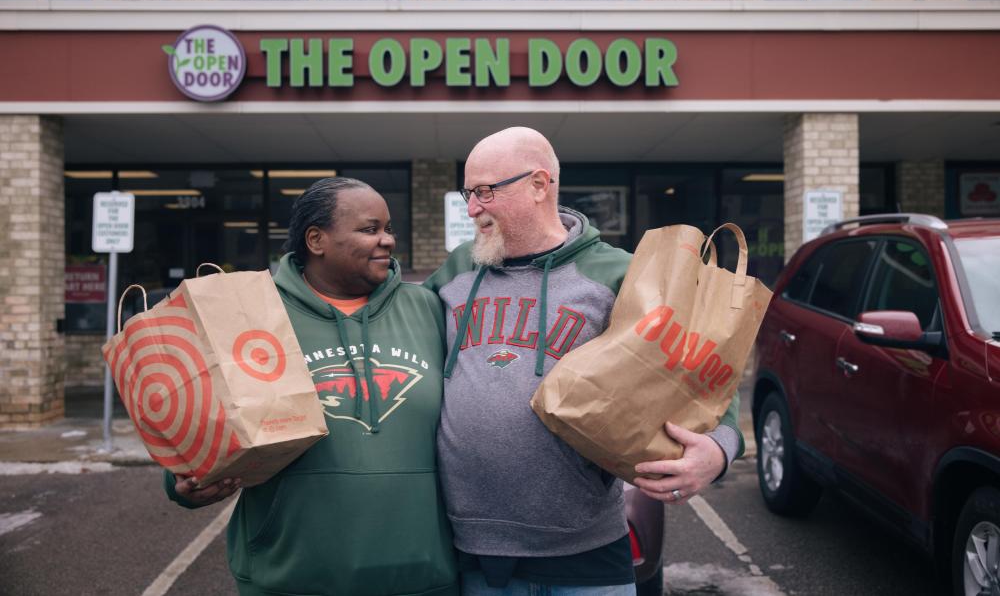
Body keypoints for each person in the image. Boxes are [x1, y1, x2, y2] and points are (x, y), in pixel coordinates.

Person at [424, 127, 744, 595]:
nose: (472, 209)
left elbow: (703, 370)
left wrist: (719, 449)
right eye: (468, 193)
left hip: (586, 550)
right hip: (471, 550)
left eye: (485, 191)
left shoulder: (617, 272)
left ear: (539, 185)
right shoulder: (456, 270)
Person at [164, 177, 458, 596]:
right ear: (317, 240)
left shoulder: (427, 308)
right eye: (369, 229)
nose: (388, 240)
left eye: (388, 228)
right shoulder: (254, 315)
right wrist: (185, 484)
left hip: (422, 576)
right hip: (292, 577)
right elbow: (200, 425)